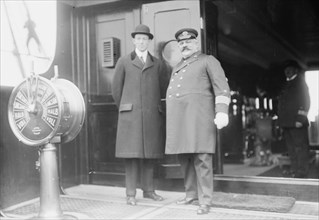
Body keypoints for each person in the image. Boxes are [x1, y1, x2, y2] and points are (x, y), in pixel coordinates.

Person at [165, 28, 231, 214]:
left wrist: (222, 111)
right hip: (180, 120)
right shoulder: (177, 65)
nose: (184, 45)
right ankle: (190, 195)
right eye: (181, 42)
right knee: (184, 158)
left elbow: (222, 88)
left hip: (199, 118)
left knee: (202, 159)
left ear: (196, 43)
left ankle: (205, 200)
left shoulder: (208, 61)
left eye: (188, 41)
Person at [112, 24, 168, 205]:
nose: (142, 41)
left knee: (149, 156)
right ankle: (130, 194)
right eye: (139, 38)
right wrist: (127, 107)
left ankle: (149, 191)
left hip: (151, 116)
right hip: (131, 118)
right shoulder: (124, 61)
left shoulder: (158, 64)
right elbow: (116, 90)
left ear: (149, 41)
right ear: (134, 40)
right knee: (132, 156)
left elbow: (163, 88)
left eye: (145, 38)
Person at [278, 60, 310, 178]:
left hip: (297, 123)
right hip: (287, 123)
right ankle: (295, 170)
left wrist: (300, 120)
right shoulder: (287, 83)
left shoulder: (300, 82)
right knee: (291, 149)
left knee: (300, 149)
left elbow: (305, 102)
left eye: (290, 69)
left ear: (295, 70)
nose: (287, 72)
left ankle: (302, 172)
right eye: (285, 70)